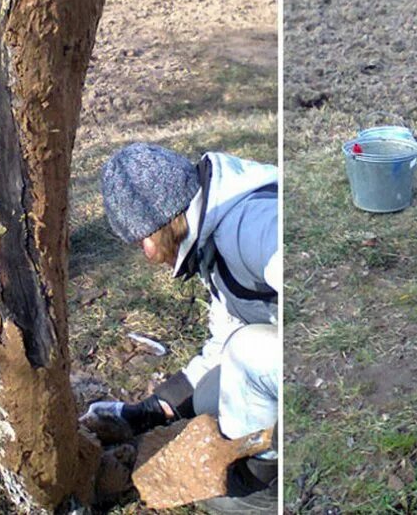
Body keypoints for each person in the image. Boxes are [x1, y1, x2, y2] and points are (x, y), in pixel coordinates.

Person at [81, 142, 280, 512]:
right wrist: (144, 413)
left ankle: (264, 489)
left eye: (142, 238)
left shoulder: (249, 225)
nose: (145, 251)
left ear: (163, 219)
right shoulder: (213, 241)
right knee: (207, 394)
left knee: (248, 353)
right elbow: (225, 341)